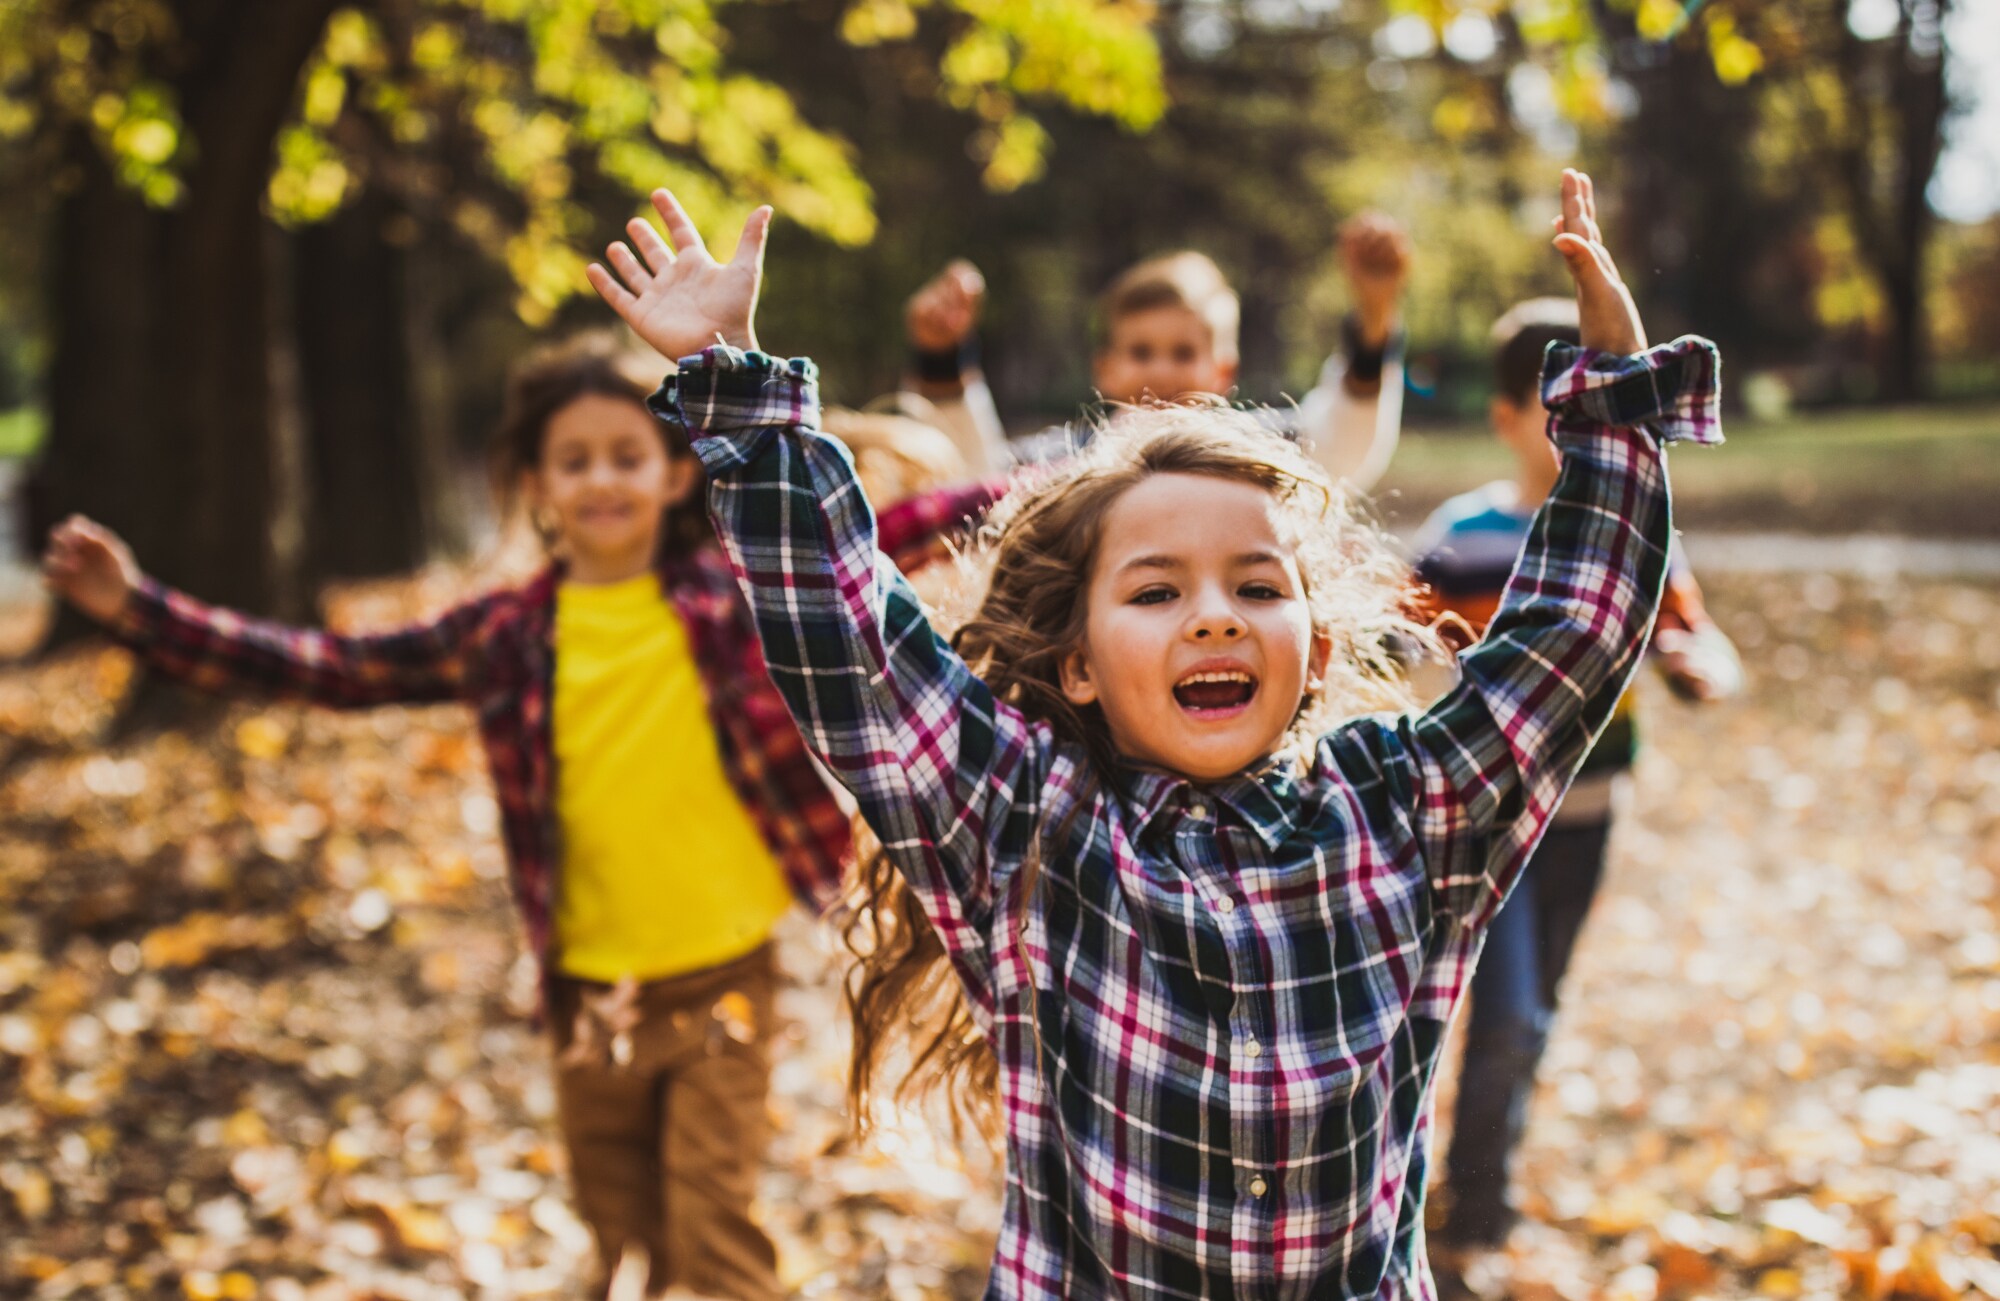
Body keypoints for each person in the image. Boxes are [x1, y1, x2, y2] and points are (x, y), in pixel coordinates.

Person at [586, 170, 1723, 1297]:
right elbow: (851, 643)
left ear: (1317, 646)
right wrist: (735, 385)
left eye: (1254, 586)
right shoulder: (1022, 822)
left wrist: (1615, 406)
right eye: (1153, 592)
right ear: (1075, 663)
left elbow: (1568, 638)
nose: (1214, 613)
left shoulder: (1407, 812)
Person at [39, 333, 997, 1300]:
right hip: (589, 990)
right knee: (624, 1231)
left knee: (715, 1232)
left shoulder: (729, 596)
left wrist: (1045, 484)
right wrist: (140, 611)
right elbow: (331, 669)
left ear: (673, 472)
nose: (601, 480)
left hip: (727, 983)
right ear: (537, 486)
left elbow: (889, 532)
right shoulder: (505, 636)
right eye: (573, 461)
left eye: (627, 455)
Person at [1409, 297, 1743, 1254]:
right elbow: (1390, 635)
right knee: (1506, 1009)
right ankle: (1473, 1212)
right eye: (1561, 414)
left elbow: (1693, 635)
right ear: (1509, 416)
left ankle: (1485, 1178)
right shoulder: (1463, 533)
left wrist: (1702, 666)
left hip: (1596, 810)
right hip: (1494, 819)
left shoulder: (1639, 534)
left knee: (1536, 1009)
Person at [904, 213, 1414, 491]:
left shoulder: (1262, 450)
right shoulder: (1066, 462)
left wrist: (1372, 321)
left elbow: (1343, 446)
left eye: (1184, 351)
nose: (1162, 370)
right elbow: (975, 481)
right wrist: (941, 359)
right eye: (1141, 351)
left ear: (1223, 369)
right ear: (1102, 369)